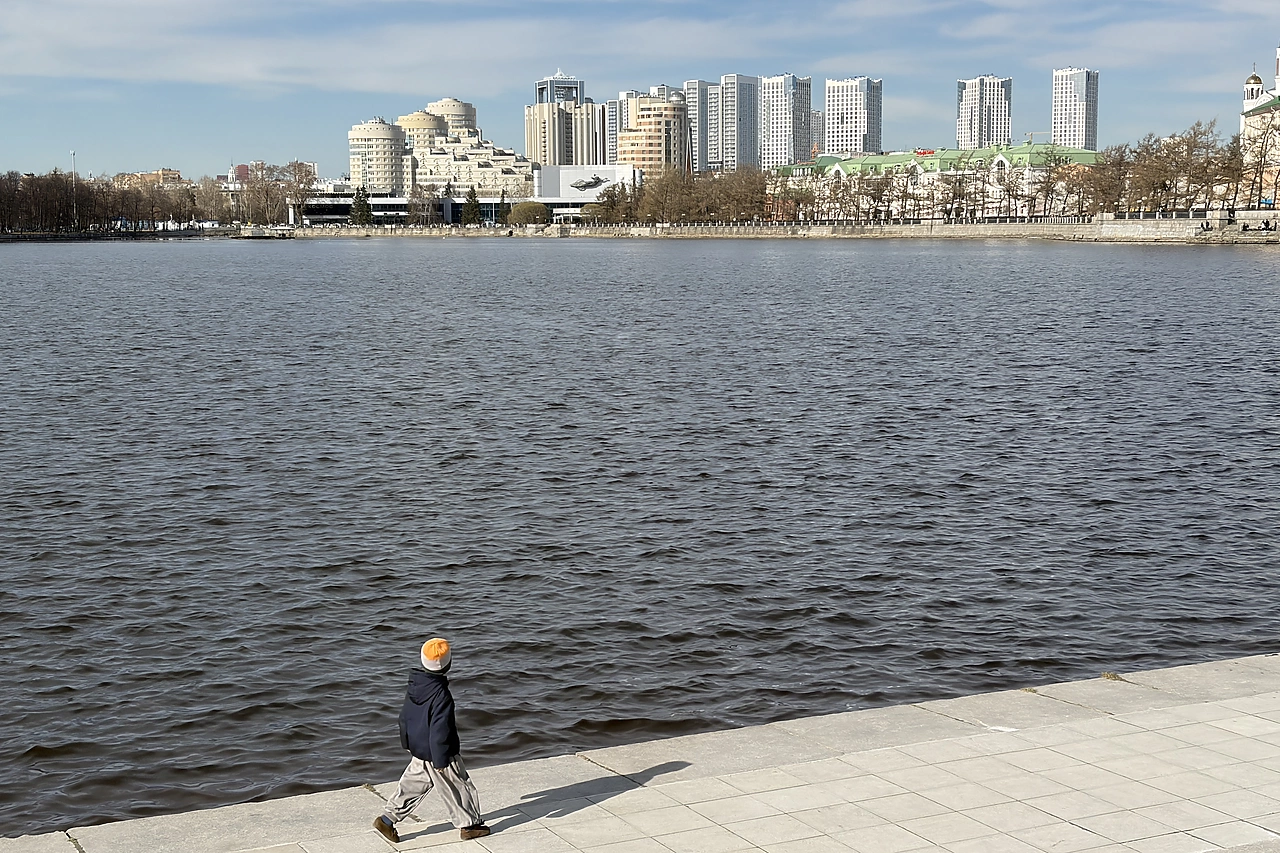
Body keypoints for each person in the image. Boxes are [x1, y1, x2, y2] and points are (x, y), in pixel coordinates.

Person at [373, 638, 490, 843]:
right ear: (449, 664)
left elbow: (404, 717)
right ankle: (469, 825)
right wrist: (441, 760)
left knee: (411, 785)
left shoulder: (415, 685)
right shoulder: (442, 694)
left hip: (419, 748)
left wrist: (407, 743)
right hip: (440, 753)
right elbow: (440, 730)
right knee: (458, 786)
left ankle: (387, 819)